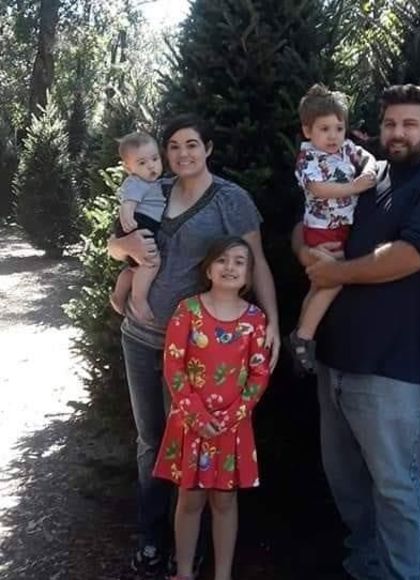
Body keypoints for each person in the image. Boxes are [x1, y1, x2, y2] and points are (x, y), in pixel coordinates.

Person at [292, 84, 420, 580]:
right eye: (390, 123)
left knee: (396, 488)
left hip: (391, 367)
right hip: (333, 359)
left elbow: (409, 256)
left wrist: (337, 272)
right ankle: (364, 565)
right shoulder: (367, 175)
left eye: (410, 124)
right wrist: (308, 254)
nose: (397, 133)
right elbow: (307, 220)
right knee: (347, 482)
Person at [108, 115, 280, 576]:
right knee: (150, 440)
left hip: (194, 352)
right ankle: (152, 537)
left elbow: (257, 262)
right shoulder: (154, 188)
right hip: (140, 336)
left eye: (191, 145)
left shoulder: (230, 200)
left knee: (188, 443)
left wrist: (273, 323)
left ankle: (189, 550)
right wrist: (127, 253)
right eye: (173, 146)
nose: (182, 154)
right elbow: (115, 245)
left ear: (208, 148)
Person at [154, 236, 271, 580]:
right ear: (208, 269)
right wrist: (197, 415)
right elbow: (173, 366)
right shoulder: (187, 311)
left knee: (225, 501)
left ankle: (223, 574)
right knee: (190, 499)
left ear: (248, 275)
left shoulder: (255, 319)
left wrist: (233, 415)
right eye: (222, 260)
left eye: (239, 262)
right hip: (191, 424)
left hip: (232, 427)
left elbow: (259, 373)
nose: (230, 267)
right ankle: (184, 572)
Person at [288, 84, 377, 374]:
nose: (333, 136)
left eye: (339, 128)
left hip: (342, 228)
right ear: (308, 130)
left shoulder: (346, 149)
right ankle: (304, 338)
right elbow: (317, 188)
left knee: (319, 285)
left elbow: (368, 158)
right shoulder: (308, 158)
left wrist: (368, 171)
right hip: (322, 230)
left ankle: (300, 335)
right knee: (334, 279)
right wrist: (354, 187)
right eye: (325, 129)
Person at [110, 131, 166, 322]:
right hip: (139, 223)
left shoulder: (152, 182)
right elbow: (128, 203)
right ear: (128, 168)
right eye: (142, 163)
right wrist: (127, 219)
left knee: (135, 268)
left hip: (141, 223)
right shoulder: (136, 182)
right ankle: (138, 299)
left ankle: (118, 296)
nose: (151, 165)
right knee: (151, 262)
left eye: (155, 159)